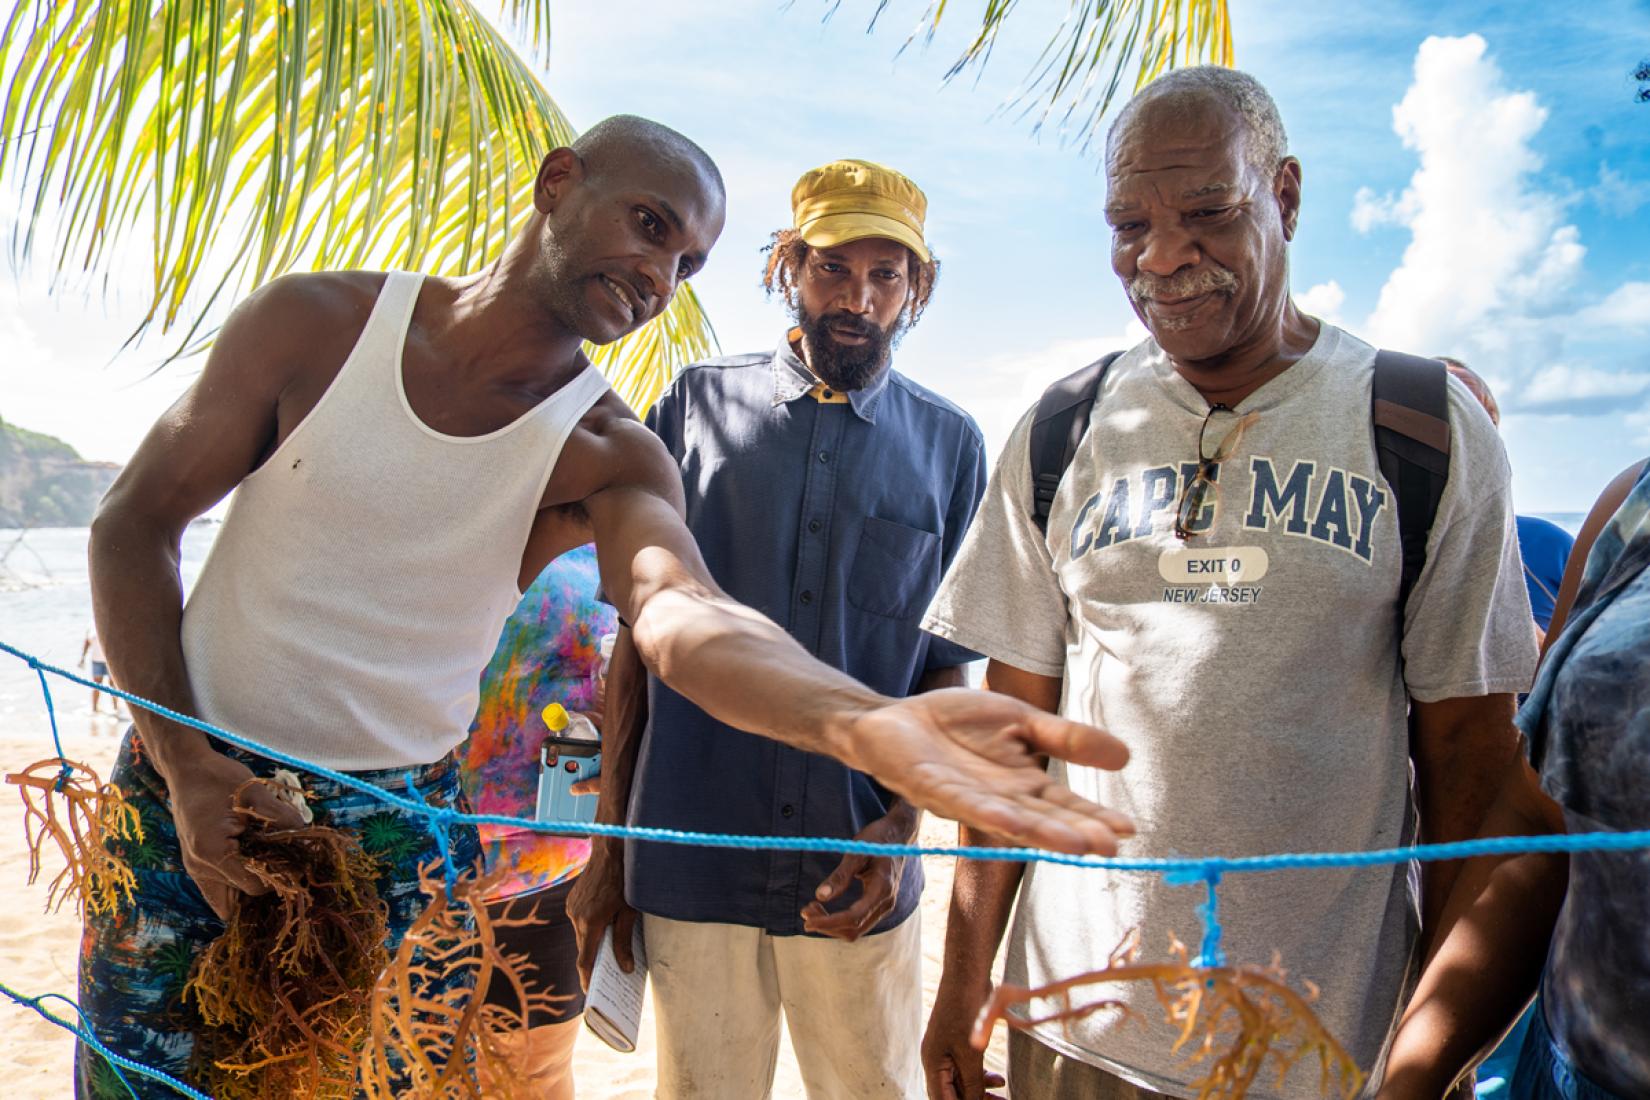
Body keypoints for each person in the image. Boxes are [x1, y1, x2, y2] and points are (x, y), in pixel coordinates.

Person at [83, 115, 1131, 1094]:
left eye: (686, 261)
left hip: (402, 831)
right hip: (187, 776)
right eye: (650, 225)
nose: (659, 274)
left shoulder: (611, 450)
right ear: (558, 182)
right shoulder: (314, 326)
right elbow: (131, 526)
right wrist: (184, 765)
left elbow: (679, 613)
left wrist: (862, 722)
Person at [917, 67, 1538, 1100]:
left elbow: (1474, 771)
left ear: (1284, 196)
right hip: (1074, 1031)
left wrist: (1429, 1055)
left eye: (1209, 213)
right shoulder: (1065, 430)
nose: (1162, 257)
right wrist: (962, 975)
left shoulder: (1420, 428)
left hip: (1320, 1043)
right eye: (1128, 225)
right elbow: (1012, 736)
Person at [571, 159, 988, 1100]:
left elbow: (943, 673)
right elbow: (636, 648)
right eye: (833, 267)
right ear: (786, 266)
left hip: (856, 871)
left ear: (916, 287)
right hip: (691, 856)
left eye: (887, 275)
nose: (859, 297)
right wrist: (609, 856)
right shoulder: (693, 408)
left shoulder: (952, 446)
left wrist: (903, 828)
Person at [1377, 457, 1650, 1100]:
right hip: (1566, 1068)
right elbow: (1537, 809)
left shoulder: (1541, 542)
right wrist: (1414, 1079)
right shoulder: (1630, 504)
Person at [1434, 356, 1575, 1093]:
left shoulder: (1547, 542)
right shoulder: (1381, 547)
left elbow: (1577, 682)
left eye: (1476, 423)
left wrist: (1518, 635)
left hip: (1524, 802)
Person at [459, 543, 614, 1099]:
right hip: (413, 849)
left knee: (533, 1073)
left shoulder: (609, 525)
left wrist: (617, 717)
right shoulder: (428, 512)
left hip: (550, 868)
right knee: (403, 1065)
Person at [1438, 357, 1574, 646]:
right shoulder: (1378, 550)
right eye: (1456, 414)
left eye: (1486, 419)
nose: (1475, 435)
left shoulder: (1550, 544)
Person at [79, 625, 117, 715]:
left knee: (113, 684)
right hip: (96, 661)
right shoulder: (91, 625)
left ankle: (115, 708)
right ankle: (94, 709)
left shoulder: (107, 623)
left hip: (110, 661)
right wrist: (82, 658)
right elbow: (87, 643)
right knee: (96, 685)